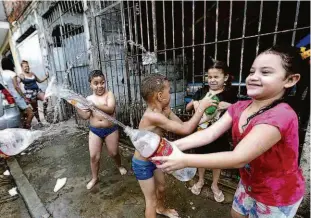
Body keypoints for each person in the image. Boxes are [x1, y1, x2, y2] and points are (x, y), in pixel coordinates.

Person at [152, 45, 306, 218]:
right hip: (249, 183)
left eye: (265, 72)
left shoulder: (281, 115)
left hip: (277, 194)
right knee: (236, 214)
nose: (254, 77)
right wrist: (173, 145)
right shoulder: (240, 107)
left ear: (290, 80)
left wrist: (184, 160)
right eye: (252, 71)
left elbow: (238, 158)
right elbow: (208, 133)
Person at [133, 73, 216, 218]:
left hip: (155, 159)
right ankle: (155, 207)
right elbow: (186, 129)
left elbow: (182, 125)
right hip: (142, 163)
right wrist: (201, 107)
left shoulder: (162, 112)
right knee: (150, 200)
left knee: (162, 187)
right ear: (160, 96)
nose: (170, 94)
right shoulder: (153, 116)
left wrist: (170, 113)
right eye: (169, 91)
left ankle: (161, 208)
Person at [186, 60, 237, 201]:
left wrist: (229, 106)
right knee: (200, 159)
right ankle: (201, 180)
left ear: (225, 78)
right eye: (210, 77)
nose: (212, 80)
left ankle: (215, 185)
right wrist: (195, 103)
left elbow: (238, 110)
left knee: (217, 162)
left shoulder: (229, 94)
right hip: (200, 134)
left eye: (216, 77)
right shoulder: (202, 91)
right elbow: (187, 108)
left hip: (219, 136)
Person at [77, 70, 127, 190]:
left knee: (113, 153)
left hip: (111, 129)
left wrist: (93, 105)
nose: (100, 86)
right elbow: (85, 116)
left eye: (102, 82)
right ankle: (95, 178)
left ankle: (119, 165)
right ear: (91, 85)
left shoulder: (109, 95)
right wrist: (78, 107)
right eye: (96, 83)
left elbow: (110, 109)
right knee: (94, 156)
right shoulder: (88, 99)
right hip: (95, 130)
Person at [0, 58, 33, 129]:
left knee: (22, 116)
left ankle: (24, 128)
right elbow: (16, 87)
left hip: (10, 98)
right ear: (10, 64)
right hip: (17, 97)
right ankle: (27, 128)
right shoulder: (12, 73)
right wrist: (24, 97)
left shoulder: (2, 74)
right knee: (31, 113)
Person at [20, 60, 49, 125]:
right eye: (25, 67)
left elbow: (39, 81)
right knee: (35, 109)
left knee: (46, 99)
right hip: (30, 94)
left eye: (27, 66)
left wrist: (46, 77)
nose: (27, 68)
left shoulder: (32, 73)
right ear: (22, 68)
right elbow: (19, 80)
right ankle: (39, 122)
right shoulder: (22, 75)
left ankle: (45, 113)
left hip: (37, 91)